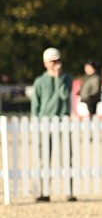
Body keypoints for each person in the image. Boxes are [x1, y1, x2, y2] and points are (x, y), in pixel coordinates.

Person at [30, 47, 76, 202]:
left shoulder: (67, 78)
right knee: (44, 158)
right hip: (44, 123)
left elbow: (64, 96)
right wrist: (35, 121)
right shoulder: (40, 81)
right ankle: (44, 191)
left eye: (57, 60)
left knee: (66, 157)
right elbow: (35, 104)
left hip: (62, 122)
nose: (55, 64)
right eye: (52, 61)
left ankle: (69, 192)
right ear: (45, 63)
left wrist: (58, 78)